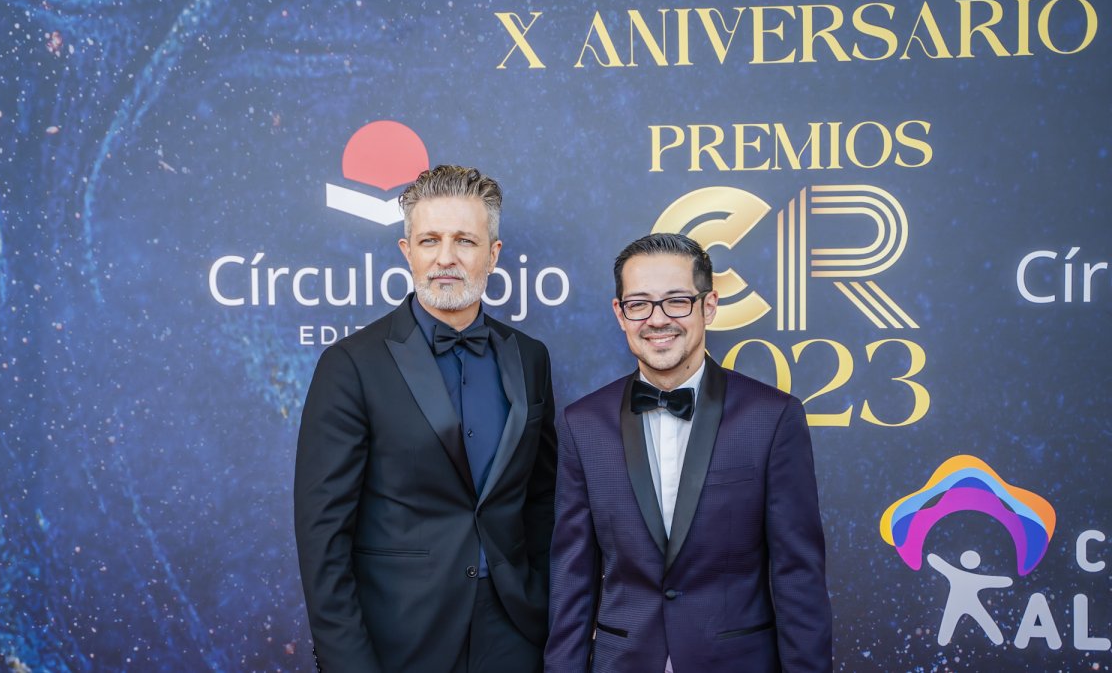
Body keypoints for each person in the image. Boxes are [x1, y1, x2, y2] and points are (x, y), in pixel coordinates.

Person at [295, 165, 557, 673]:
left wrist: (542, 604)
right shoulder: (351, 364)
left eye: (465, 241)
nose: (446, 258)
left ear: (493, 255)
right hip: (399, 639)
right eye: (430, 240)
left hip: (514, 636)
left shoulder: (530, 358)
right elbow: (322, 536)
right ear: (406, 251)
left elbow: (541, 501)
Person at [545, 233, 832, 672]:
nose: (657, 320)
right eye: (639, 304)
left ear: (709, 306)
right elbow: (573, 577)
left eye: (676, 301)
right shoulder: (581, 425)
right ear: (620, 314)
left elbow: (798, 577)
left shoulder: (773, 418)